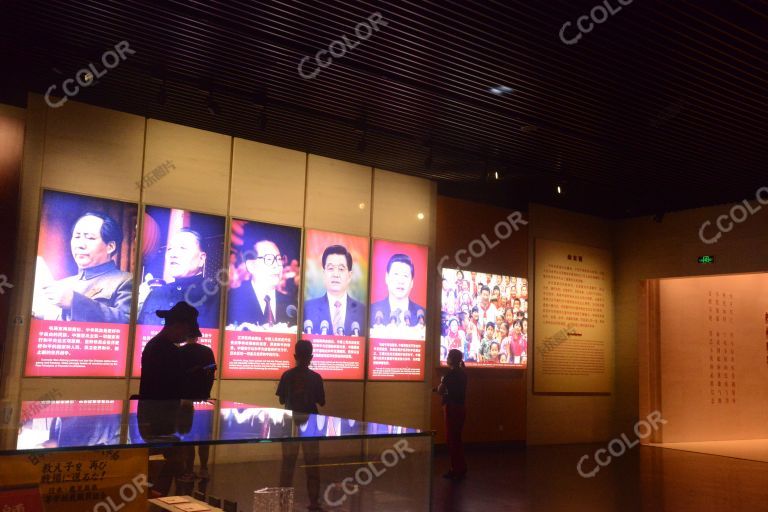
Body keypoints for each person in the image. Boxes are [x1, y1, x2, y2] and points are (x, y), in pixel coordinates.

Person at [35, 212, 132, 323]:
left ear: (110, 246)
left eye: (90, 238)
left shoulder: (126, 280)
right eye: (76, 237)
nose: (80, 245)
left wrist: (74, 302)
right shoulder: (61, 285)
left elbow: (126, 322)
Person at [277, 340, 325, 511]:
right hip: (311, 423)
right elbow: (321, 401)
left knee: (288, 464)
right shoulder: (316, 378)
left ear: (295, 356)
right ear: (311, 357)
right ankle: (314, 501)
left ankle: (283, 501)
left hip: (290, 423)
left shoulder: (287, 375)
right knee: (312, 463)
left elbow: (282, 399)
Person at [138, 229, 220, 328]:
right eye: (169, 249)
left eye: (183, 248)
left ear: (201, 259)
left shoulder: (216, 295)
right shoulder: (156, 293)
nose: (173, 254)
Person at [228, 239, 295, 329]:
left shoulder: (291, 304)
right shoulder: (232, 300)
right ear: (251, 266)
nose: (276, 265)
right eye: (269, 259)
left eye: (278, 259)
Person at [139, 301, 201, 399]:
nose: (186, 337)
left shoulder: (156, 345)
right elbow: (172, 385)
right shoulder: (164, 349)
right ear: (177, 326)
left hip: (155, 409)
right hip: (163, 410)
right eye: (187, 331)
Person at [303, 245, 365, 336]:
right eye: (331, 268)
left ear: (350, 276)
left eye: (341, 269)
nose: (336, 274)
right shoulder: (307, 308)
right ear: (324, 273)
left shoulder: (363, 311)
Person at [370, 253, 425, 331]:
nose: (400, 281)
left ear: (412, 282)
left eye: (405, 276)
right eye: (396, 274)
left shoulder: (423, 315)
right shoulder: (371, 311)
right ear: (387, 278)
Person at [437, 349, 467, 480]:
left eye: (448, 356)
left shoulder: (450, 374)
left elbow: (440, 390)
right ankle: (461, 466)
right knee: (457, 438)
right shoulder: (463, 373)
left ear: (452, 359)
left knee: (451, 439)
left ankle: (456, 469)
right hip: (461, 408)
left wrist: (441, 382)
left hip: (452, 408)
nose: (446, 358)